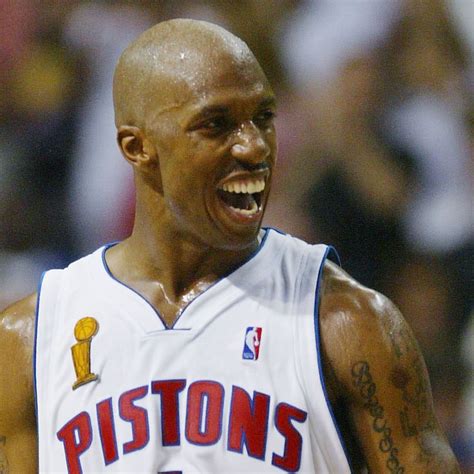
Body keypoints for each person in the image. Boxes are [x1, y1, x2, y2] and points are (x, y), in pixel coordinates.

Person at [0, 19, 460, 473]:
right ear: (138, 147)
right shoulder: (32, 340)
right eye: (216, 125)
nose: (254, 147)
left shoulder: (345, 323)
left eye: (263, 118)